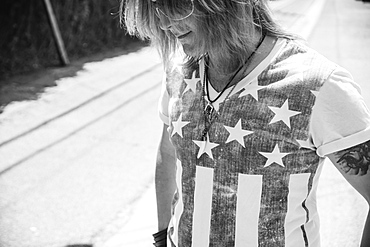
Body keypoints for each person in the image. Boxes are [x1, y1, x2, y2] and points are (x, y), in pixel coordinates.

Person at [120, 0, 370, 246]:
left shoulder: (318, 84)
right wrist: (162, 237)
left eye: (174, 4)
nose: (163, 22)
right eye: (154, 5)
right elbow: (168, 152)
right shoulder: (178, 70)